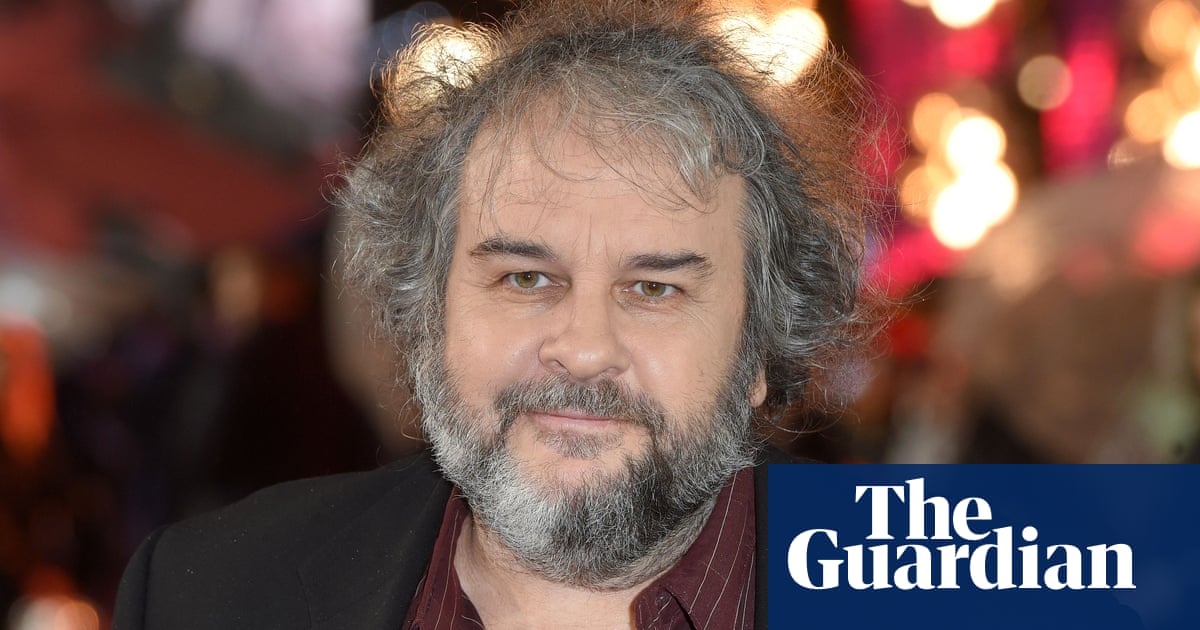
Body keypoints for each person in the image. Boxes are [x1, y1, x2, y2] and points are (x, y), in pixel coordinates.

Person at [113, 0, 878, 628]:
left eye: (654, 289)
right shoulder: (207, 593)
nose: (584, 348)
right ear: (427, 316)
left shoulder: (937, 587)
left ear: (759, 345)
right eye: (525, 278)